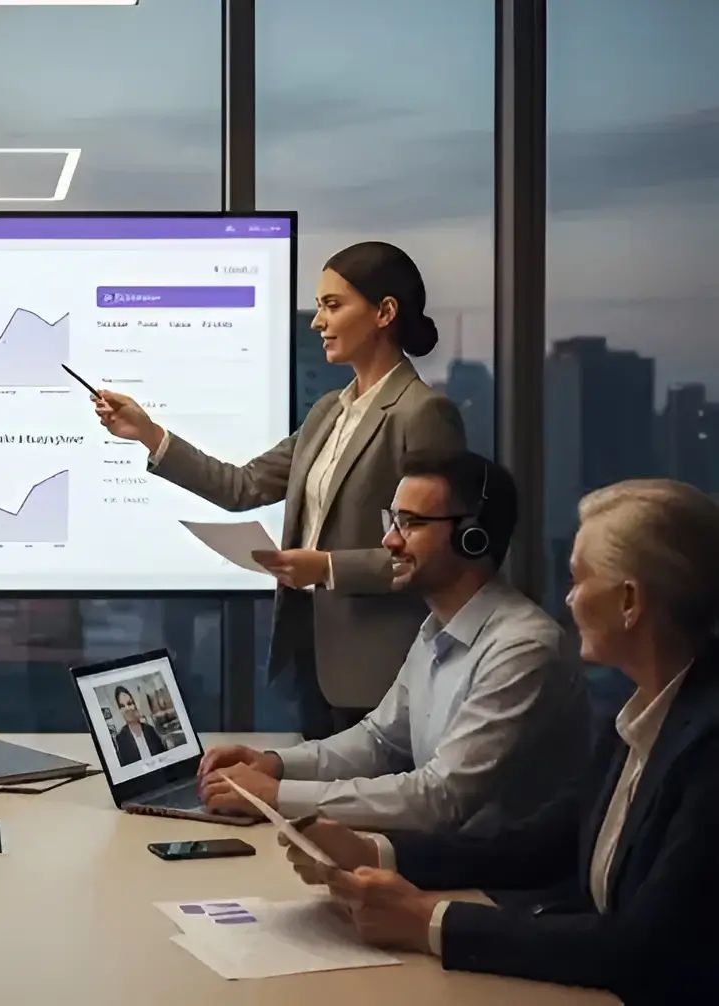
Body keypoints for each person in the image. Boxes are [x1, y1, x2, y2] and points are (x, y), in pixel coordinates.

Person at [281, 479, 719, 1003]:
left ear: (629, 601)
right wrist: (377, 851)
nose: (568, 598)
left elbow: (643, 947)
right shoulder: (644, 713)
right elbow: (542, 843)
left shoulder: (708, 745)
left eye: (578, 579)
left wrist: (429, 921)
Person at [93, 242, 465, 737]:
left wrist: (327, 567)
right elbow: (242, 486)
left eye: (333, 305)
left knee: (366, 810)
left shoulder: (422, 414)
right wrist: (148, 433)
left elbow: (437, 555)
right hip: (312, 659)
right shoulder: (329, 411)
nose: (317, 321)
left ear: (385, 313)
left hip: (382, 674)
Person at [196, 452, 588, 833]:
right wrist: (273, 764)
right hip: (444, 864)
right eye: (393, 520)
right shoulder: (437, 629)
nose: (389, 540)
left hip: (499, 888)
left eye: (410, 524)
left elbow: (441, 797)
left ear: (473, 538)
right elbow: (379, 742)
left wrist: (278, 795)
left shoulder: (522, 649)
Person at [111, 685, 168, 766]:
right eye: (122, 706)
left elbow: (164, 756)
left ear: (135, 705)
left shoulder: (150, 730)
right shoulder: (120, 739)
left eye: (129, 703)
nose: (127, 708)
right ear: (120, 710)